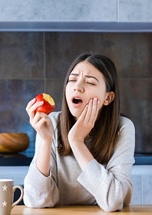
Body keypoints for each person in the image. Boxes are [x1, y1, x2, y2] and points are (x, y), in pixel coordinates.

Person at [23, 53, 135, 212]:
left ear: (108, 98)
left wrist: (77, 142)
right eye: (72, 79)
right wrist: (46, 140)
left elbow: (113, 201)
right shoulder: (51, 123)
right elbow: (36, 200)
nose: (78, 86)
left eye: (89, 82)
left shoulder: (122, 128)